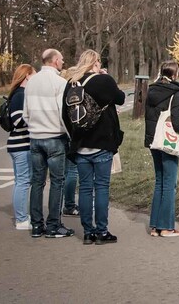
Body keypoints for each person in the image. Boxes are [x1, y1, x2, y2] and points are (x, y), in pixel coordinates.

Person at [62, 49, 126, 245]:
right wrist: (107, 77)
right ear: (96, 62)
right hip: (102, 143)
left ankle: (87, 232)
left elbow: (66, 114)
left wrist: (74, 136)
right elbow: (121, 98)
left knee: (85, 188)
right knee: (102, 188)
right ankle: (102, 231)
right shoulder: (103, 81)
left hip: (81, 145)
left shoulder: (72, 84)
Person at [24, 48, 73, 239]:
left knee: (37, 181)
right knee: (56, 182)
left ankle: (37, 225)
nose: (63, 62)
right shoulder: (60, 83)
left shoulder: (31, 82)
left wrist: (35, 127)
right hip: (54, 137)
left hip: (35, 137)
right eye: (61, 59)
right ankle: (54, 224)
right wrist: (68, 135)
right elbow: (64, 114)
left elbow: (25, 113)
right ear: (53, 61)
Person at [144, 60, 179, 238]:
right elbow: (178, 120)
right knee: (170, 183)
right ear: (175, 73)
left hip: (154, 140)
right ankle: (166, 227)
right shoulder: (176, 91)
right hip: (168, 140)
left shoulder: (152, 90)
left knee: (160, 182)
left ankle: (154, 225)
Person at [6, 63, 35, 230]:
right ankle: (22, 219)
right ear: (27, 76)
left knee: (21, 181)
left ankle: (22, 215)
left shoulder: (19, 94)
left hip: (19, 144)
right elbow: (18, 120)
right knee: (23, 181)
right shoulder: (20, 95)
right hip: (21, 144)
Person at [58, 65, 80, 218]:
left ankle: (63, 203)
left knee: (64, 172)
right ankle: (69, 204)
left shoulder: (60, 91)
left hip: (60, 133)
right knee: (72, 171)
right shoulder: (72, 93)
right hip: (71, 134)